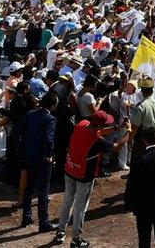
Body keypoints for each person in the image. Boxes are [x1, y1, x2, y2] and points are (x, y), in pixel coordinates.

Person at [57, 110, 122, 247]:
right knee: (80, 207)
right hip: (84, 176)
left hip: (70, 169)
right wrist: (128, 132)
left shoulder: (82, 124)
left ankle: (60, 230)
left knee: (67, 201)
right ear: (99, 126)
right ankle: (76, 239)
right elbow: (117, 147)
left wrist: (116, 128)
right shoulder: (97, 141)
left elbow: (97, 131)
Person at [17, 92, 57, 232]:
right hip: (42, 159)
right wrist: (48, 155)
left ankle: (26, 216)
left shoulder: (30, 114)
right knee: (43, 190)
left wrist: (24, 147)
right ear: (52, 105)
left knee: (29, 187)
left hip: (29, 156)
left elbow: (18, 130)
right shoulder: (50, 119)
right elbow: (49, 140)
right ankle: (43, 222)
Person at [129, 77, 155, 164]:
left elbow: (134, 127)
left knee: (138, 161)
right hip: (154, 136)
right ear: (152, 91)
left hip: (142, 138)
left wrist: (130, 140)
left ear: (141, 91)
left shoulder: (139, 107)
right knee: (153, 159)